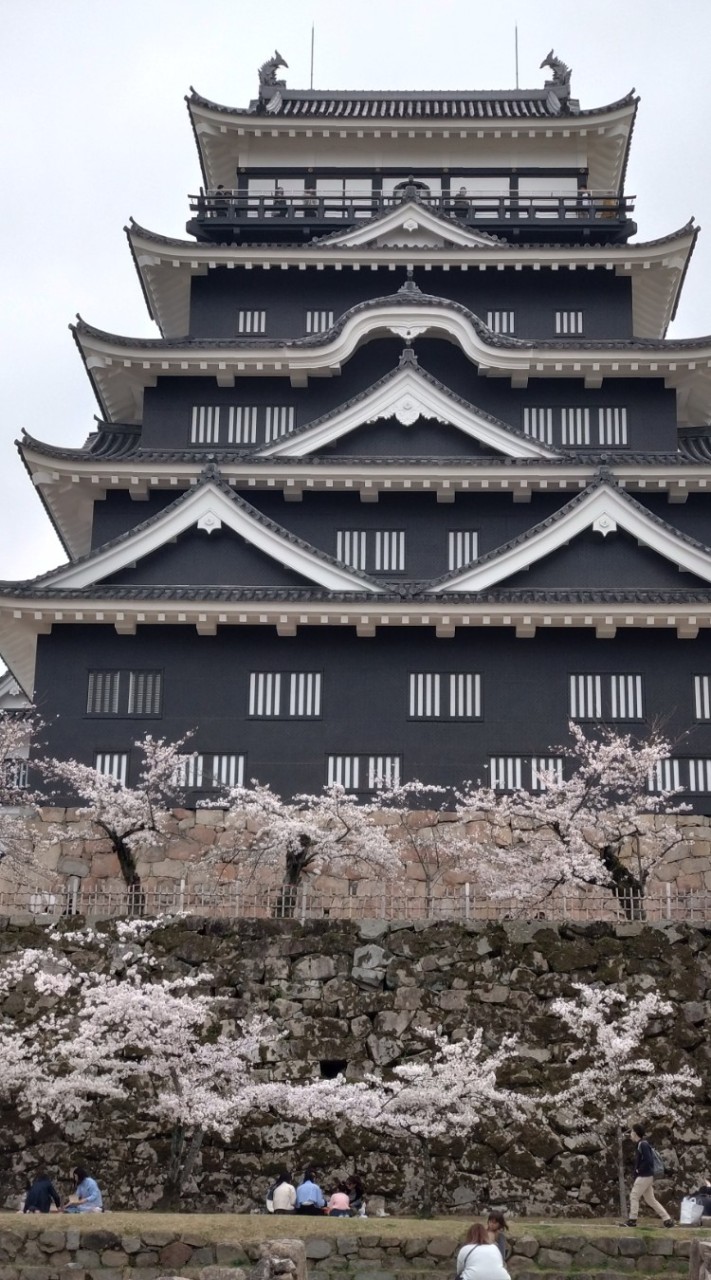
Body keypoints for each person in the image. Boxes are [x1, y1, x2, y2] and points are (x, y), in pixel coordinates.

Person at [622, 1124, 674, 1228]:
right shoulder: (642, 1144)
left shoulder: (643, 1144)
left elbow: (648, 1160)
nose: (630, 1134)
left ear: (635, 1133)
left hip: (644, 1175)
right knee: (650, 1199)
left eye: (631, 1132)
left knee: (634, 1196)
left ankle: (632, 1220)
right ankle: (667, 1219)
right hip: (648, 1176)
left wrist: (638, 1170)